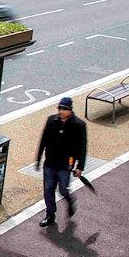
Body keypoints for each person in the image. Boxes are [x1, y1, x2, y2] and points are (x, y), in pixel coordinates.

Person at [36, 96, 87, 227]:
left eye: (64, 109)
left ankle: (70, 201)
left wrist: (80, 166)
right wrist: (38, 158)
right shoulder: (51, 120)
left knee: (63, 190)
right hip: (50, 163)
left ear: (70, 110)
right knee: (48, 190)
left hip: (65, 165)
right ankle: (50, 215)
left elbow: (82, 147)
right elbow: (44, 139)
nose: (61, 111)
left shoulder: (79, 125)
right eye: (60, 108)